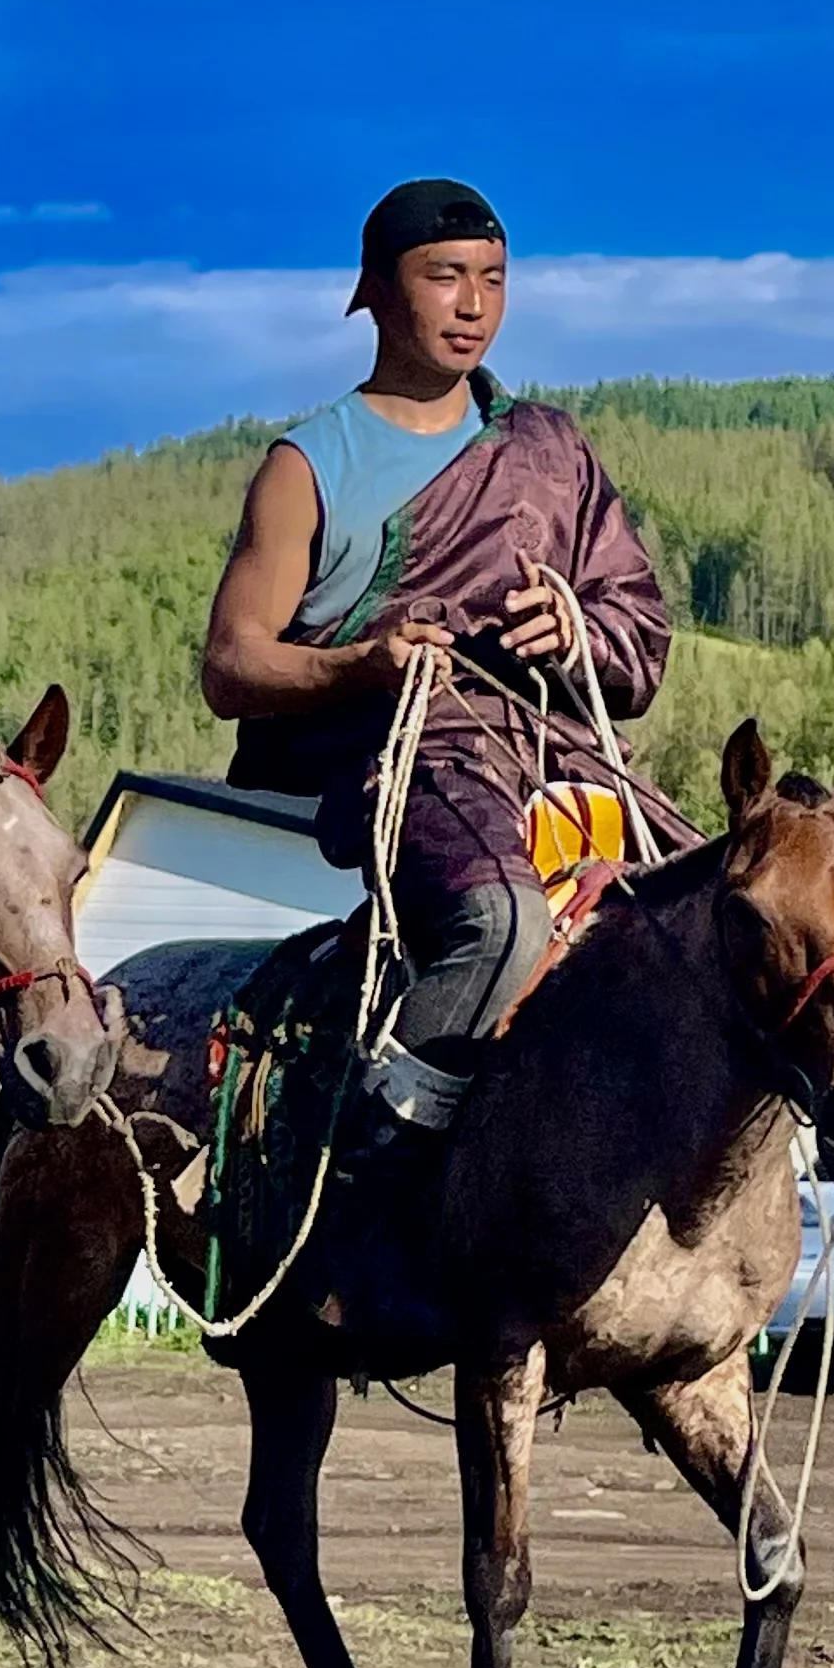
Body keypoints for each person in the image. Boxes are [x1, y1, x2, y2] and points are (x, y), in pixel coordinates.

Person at [200, 175, 682, 1156]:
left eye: (494, 279)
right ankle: (377, 1172)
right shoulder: (308, 466)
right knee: (500, 922)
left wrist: (578, 630)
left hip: (566, 760)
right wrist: (360, 666)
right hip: (414, 763)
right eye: (445, 276)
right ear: (375, 291)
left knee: (733, 916)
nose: (473, 305)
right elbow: (232, 664)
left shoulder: (550, 451)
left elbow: (639, 635)